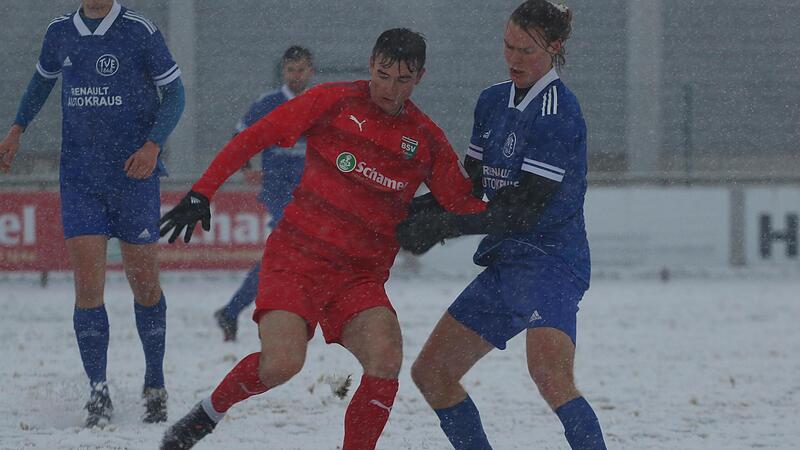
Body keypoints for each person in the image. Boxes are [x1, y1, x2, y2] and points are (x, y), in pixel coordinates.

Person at [157, 28, 486, 450]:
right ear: (371, 64)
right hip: (296, 260)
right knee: (282, 365)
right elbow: (254, 137)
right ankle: (207, 414)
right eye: (383, 74)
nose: (390, 88)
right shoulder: (334, 101)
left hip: (359, 279)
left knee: (386, 359)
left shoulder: (424, 138)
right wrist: (202, 192)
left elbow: (462, 202)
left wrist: (509, 192)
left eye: (402, 79)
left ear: (419, 77)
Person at [396, 1, 607, 449]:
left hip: (552, 261)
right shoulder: (491, 100)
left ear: (555, 48)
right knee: (432, 374)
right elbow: (467, 186)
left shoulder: (558, 112)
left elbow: (522, 209)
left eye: (526, 51)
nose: (513, 59)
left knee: (550, 375)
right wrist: (407, 213)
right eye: (508, 46)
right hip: (508, 260)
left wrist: (443, 228)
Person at [0, 0, 184, 427]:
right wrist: (16, 129)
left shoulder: (140, 30)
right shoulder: (60, 31)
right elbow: (41, 82)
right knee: (87, 288)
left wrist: (153, 144)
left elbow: (175, 92)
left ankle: (154, 381)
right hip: (81, 177)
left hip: (133, 176)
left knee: (145, 286)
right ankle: (98, 392)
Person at [213, 46, 315, 342]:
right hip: (280, 191)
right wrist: (246, 167)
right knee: (291, 253)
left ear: (311, 71)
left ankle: (232, 312)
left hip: (313, 194)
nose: (296, 76)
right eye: (291, 70)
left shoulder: (319, 102)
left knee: (286, 258)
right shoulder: (268, 103)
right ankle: (268, 314)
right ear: (284, 72)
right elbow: (240, 137)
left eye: (301, 70)